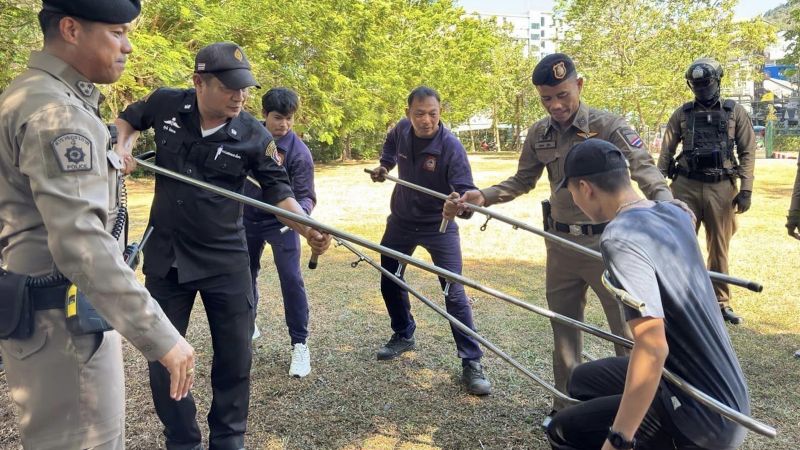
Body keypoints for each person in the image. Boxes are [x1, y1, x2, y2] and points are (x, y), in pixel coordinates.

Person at [114, 42, 331, 450]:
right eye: (230, 87)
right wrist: (122, 144)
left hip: (225, 261)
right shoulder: (165, 104)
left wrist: (306, 228)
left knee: (234, 360)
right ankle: (182, 439)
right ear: (199, 82)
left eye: (245, 87)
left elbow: (278, 193)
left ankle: (229, 440)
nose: (240, 96)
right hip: (168, 259)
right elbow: (128, 119)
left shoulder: (254, 134)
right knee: (163, 355)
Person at [0, 1, 195, 448]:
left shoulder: (26, 93)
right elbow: (82, 243)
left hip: (47, 321)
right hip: (65, 329)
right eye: (118, 32)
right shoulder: (56, 112)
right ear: (71, 28)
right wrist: (163, 337)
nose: (127, 47)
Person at [445, 53, 674, 417]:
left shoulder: (609, 126)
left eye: (562, 95)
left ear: (579, 86)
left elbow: (645, 169)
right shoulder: (539, 133)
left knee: (627, 335)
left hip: (609, 246)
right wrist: (483, 196)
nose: (555, 105)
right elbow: (522, 180)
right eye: (546, 99)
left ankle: (636, 414)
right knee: (564, 331)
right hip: (562, 246)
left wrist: (668, 207)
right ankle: (565, 408)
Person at [546, 138, 750, 450]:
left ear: (586, 188)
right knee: (581, 381)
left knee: (563, 431)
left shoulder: (619, 239)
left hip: (704, 417)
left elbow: (653, 349)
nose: (576, 201)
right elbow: (681, 212)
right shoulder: (673, 212)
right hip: (725, 391)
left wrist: (619, 439)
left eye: (572, 192)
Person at [369, 86, 491, 396]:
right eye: (419, 114)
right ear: (408, 112)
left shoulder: (450, 147)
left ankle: (471, 361)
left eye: (433, 114)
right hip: (401, 220)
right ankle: (403, 334)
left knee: (453, 291)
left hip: (439, 224)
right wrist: (384, 166)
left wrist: (458, 204)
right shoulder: (400, 129)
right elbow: (390, 147)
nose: (426, 120)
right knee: (390, 279)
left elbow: (467, 196)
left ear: (440, 113)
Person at [657, 58, 756, 325]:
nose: (701, 89)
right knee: (677, 245)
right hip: (685, 185)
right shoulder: (682, 113)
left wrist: (745, 189)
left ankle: (720, 303)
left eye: (706, 83)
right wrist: (658, 186)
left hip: (721, 187)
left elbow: (747, 152)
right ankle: (678, 299)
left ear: (717, 82)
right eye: (697, 84)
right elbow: (666, 149)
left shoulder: (735, 112)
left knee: (719, 248)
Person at [243, 87, 316, 378]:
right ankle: (248, 325)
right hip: (246, 217)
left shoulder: (299, 154)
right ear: (264, 115)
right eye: (277, 118)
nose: (282, 124)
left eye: (288, 119)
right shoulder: (248, 137)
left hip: (282, 223)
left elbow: (306, 197)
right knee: (243, 274)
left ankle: (300, 344)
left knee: (291, 280)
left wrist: (304, 221)